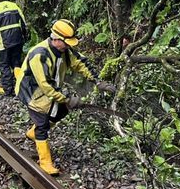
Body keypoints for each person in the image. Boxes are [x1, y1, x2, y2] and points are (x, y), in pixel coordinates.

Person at [15, 19, 115, 175]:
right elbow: (46, 85)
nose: (69, 45)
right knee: (42, 123)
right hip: (32, 91)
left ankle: (33, 134)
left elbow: (81, 63)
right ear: (55, 39)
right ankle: (45, 162)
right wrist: (67, 98)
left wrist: (98, 81)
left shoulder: (65, 51)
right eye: (66, 42)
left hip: (51, 88)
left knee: (61, 111)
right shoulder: (39, 55)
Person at [0, 0, 27, 96]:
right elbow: (23, 22)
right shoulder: (13, 5)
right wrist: (25, 35)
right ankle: (21, 86)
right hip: (18, 39)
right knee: (16, 62)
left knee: (4, 64)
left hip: (4, 43)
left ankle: (8, 88)